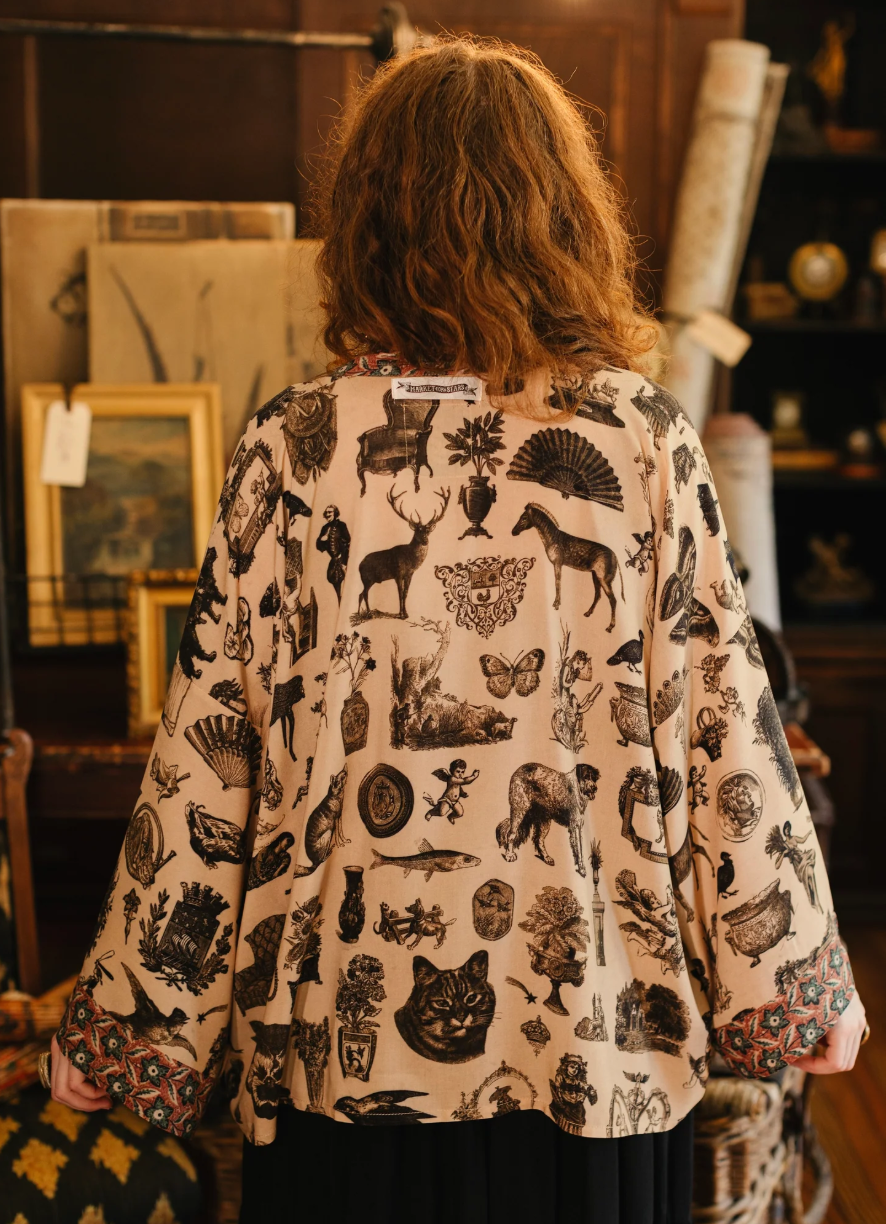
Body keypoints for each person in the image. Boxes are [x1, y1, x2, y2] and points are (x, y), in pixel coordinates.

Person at [49, 35, 866, 1224]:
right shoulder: (641, 441)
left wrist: (132, 1021)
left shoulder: (296, 448)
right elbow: (726, 737)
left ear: (367, 219)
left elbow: (207, 764)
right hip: (592, 1049)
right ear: (563, 219)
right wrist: (794, 984)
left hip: (342, 1058)